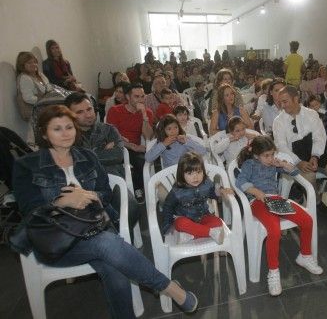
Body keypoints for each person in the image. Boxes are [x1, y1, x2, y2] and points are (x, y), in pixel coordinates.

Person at [12, 105, 198, 318]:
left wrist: (89, 196)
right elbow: (29, 212)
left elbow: (106, 192)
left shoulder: (87, 157)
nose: (65, 133)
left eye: (69, 127)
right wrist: (62, 202)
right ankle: (171, 289)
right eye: (57, 129)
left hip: (91, 229)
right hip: (55, 241)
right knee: (107, 243)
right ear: (44, 133)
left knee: (114, 268)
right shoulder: (27, 165)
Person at [235, 136, 323, 296]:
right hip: (258, 202)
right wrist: (256, 191)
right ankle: (273, 271)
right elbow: (240, 182)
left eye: (272, 154)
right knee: (274, 231)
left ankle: (304, 255)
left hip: (275, 200)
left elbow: (295, 172)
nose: (270, 159)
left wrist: (281, 164)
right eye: (266, 156)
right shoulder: (250, 164)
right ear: (256, 155)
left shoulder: (274, 164)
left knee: (307, 220)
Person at [65, 93, 140, 231]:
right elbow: (72, 161)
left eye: (89, 109)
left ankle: (118, 236)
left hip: (113, 179)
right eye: (80, 112)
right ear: (70, 115)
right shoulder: (67, 136)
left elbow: (117, 155)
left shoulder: (108, 129)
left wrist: (85, 155)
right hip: (82, 185)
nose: (88, 115)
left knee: (132, 209)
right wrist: (101, 151)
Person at [273, 85, 327, 210]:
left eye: (285, 101)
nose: (282, 105)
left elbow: (319, 137)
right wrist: (298, 162)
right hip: (295, 158)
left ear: (295, 99)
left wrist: (315, 156)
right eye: (280, 102)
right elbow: (281, 147)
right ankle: (316, 205)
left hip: (317, 153)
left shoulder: (312, 114)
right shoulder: (279, 121)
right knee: (309, 177)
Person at [160, 151, 233, 244]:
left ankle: (192, 234)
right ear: (182, 174)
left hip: (203, 217)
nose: (195, 177)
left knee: (218, 222)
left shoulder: (206, 182)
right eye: (190, 173)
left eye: (199, 172)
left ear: (203, 171)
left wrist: (222, 191)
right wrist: (167, 226)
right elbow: (168, 206)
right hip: (186, 219)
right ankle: (210, 232)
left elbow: (213, 192)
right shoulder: (177, 190)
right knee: (180, 223)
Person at [106, 83, 154, 202]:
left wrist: (144, 115)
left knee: (141, 161)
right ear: (128, 97)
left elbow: (148, 135)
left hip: (135, 149)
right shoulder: (115, 110)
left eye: (142, 96)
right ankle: (124, 192)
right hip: (118, 146)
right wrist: (131, 146)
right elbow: (111, 135)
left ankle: (139, 189)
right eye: (136, 97)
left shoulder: (147, 112)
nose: (140, 100)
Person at [15, 51, 55, 144]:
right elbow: (28, 98)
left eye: (34, 61)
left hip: (45, 108)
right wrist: (45, 100)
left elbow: (49, 86)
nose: (34, 64)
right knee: (38, 138)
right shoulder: (25, 78)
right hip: (36, 112)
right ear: (22, 65)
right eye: (29, 63)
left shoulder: (39, 74)